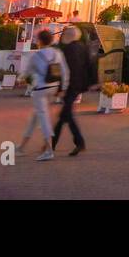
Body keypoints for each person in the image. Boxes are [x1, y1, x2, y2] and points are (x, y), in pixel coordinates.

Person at [20, 28, 67, 162]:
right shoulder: (57, 53)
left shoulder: (36, 55)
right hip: (54, 86)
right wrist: (63, 88)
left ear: (40, 41)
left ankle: (49, 150)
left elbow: (28, 71)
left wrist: (20, 79)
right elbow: (64, 71)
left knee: (43, 118)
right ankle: (21, 146)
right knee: (36, 116)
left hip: (40, 88)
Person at [52, 25, 89, 157]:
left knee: (66, 115)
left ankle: (79, 142)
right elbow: (89, 65)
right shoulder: (83, 47)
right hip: (78, 84)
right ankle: (52, 143)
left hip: (71, 85)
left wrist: (62, 88)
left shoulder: (68, 50)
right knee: (64, 116)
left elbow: (66, 71)